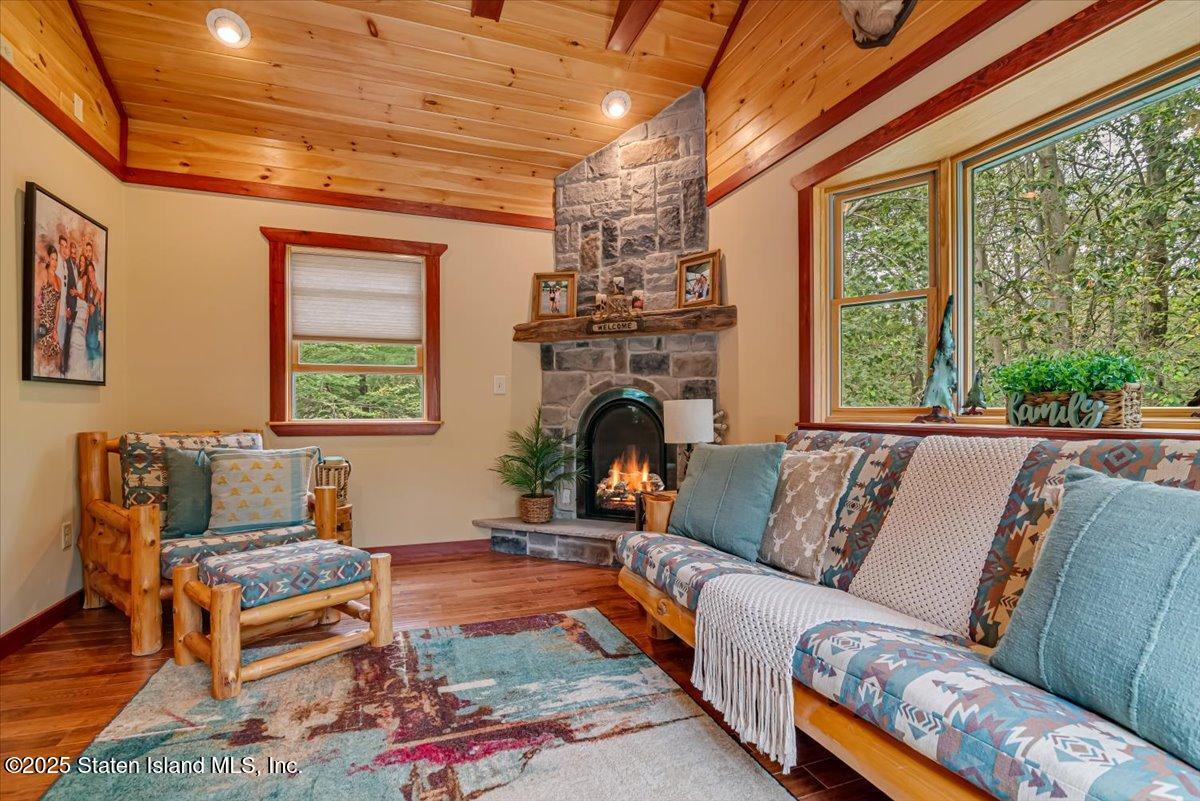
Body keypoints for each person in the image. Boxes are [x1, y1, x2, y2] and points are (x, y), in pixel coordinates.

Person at [34, 246, 63, 374]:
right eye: (53, 259)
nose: (55, 263)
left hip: (52, 326)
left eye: (57, 260)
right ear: (49, 260)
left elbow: (58, 306)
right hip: (42, 323)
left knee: (55, 358)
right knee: (41, 354)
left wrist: (55, 328)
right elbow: (36, 296)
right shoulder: (44, 274)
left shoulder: (59, 280)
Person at [59, 236, 79, 375]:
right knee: (65, 336)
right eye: (70, 252)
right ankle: (64, 366)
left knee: (70, 335)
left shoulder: (76, 266)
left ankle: (67, 365)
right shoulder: (65, 264)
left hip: (75, 307)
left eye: (74, 252)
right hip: (69, 308)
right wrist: (67, 308)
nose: (72, 254)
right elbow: (66, 291)